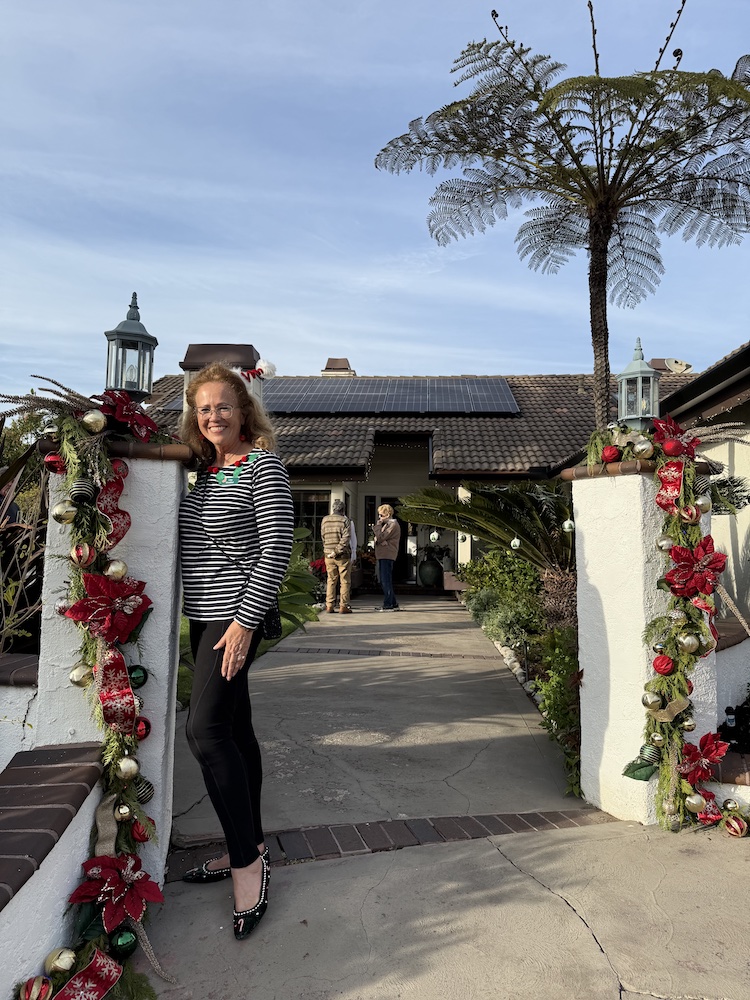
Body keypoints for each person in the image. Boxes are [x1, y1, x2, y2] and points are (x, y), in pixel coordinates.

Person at [178, 363, 294, 941]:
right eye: (203, 409)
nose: (213, 416)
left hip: (231, 618)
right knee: (237, 731)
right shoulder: (201, 470)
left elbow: (276, 548)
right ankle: (245, 842)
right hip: (203, 619)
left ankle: (247, 863)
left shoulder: (261, 466)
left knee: (205, 732)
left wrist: (246, 624)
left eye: (222, 405)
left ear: (243, 410)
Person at [320, 499, 352, 613]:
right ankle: (344, 606)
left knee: (331, 580)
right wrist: (337, 551)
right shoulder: (345, 520)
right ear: (343, 510)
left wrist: (329, 550)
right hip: (343, 555)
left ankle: (329, 605)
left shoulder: (325, 520)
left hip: (328, 554)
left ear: (333, 509)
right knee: (345, 581)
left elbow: (323, 536)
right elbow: (346, 539)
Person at [373, 503, 401, 611]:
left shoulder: (392, 525)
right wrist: (379, 539)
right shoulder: (387, 525)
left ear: (388, 514)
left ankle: (388, 604)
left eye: (381, 515)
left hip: (387, 554)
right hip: (383, 554)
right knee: (385, 579)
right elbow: (378, 539)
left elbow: (380, 537)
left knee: (385, 580)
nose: (379, 518)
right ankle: (393, 603)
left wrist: (378, 528)